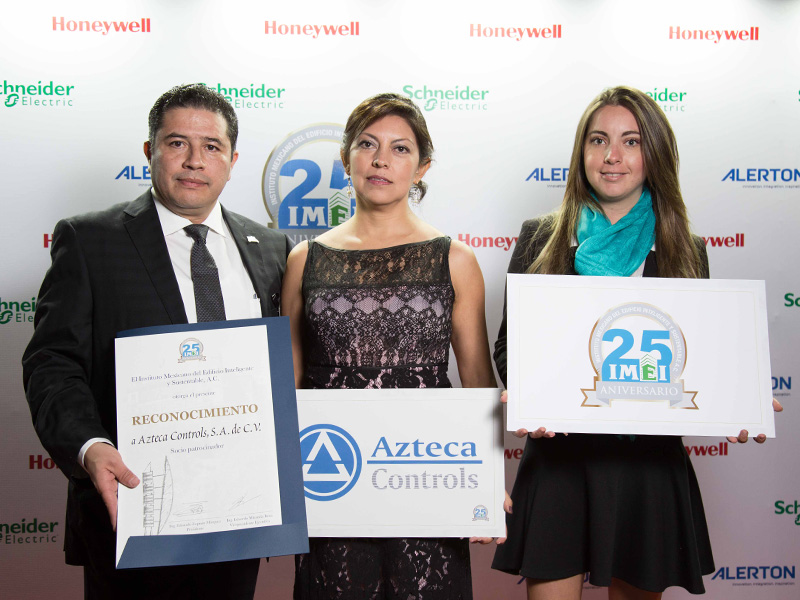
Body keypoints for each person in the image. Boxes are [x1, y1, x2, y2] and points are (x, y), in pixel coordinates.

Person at [491, 85, 780, 599]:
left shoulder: (685, 249)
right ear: (582, 151)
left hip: (648, 463)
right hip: (559, 461)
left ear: (655, 154)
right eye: (598, 140)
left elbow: (699, 355)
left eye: (631, 141)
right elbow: (509, 345)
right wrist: (530, 394)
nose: (612, 156)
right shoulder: (540, 236)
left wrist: (738, 399)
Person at [22, 83, 291, 599]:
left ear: (233, 161)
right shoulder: (91, 240)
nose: (194, 161)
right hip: (132, 506)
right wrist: (90, 448)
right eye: (177, 143)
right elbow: (52, 363)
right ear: (150, 151)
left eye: (211, 146)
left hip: (241, 511)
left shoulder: (271, 247)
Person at [281, 92, 497, 599]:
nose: (381, 160)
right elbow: (288, 386)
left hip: (426, 476)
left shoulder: (456, 259)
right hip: (333, 477)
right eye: (367, 144)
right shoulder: (303, 260)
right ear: (346, 159)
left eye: (400, 149)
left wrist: (485, 485)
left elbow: (477, 384)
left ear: (422, 167)